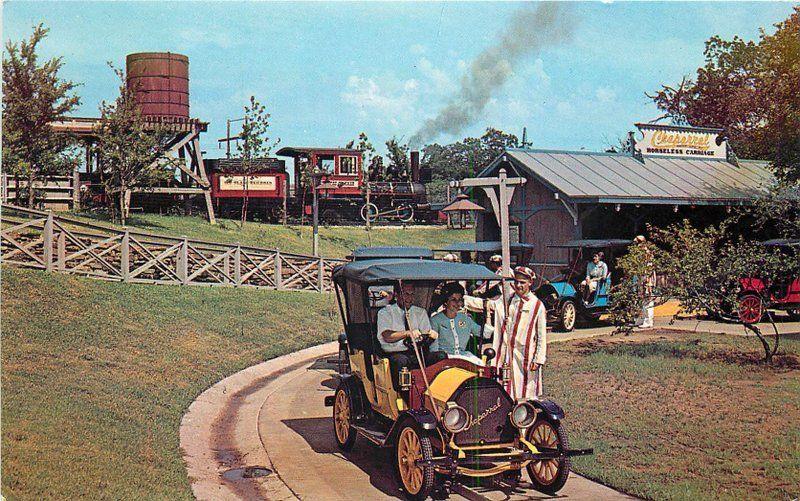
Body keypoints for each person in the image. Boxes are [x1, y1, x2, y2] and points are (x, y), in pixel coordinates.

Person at [377, 282, 447, 390]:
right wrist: (408, 333)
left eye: (411, 294)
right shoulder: (386, 312)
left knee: (441, 356)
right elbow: (387, 336)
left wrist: (431, 335)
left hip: (417, 353)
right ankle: (405, 397)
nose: (409, 298)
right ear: (396, 295)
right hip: (396, 353)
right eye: (405, 294)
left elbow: (425, 334)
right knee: (402, 361)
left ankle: (439, 391)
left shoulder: (420, 312)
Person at [492, 266, 547, 400]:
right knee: (505, 385)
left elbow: (541, 336)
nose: (518, 285)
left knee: (526, 388)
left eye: (522, 282)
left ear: (530, 283)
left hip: (525, 354)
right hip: (507, 353)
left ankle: (525, 414)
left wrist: (538, 358)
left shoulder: (537, 305)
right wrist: (466, 300)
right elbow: (491, 305)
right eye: (516, 281)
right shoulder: (507, 299)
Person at [430, 283, 494, 363]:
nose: (457, 303)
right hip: (445, 360)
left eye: (459, 300)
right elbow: (433, 350)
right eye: (453, 300)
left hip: (464, 357)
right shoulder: (435, 320)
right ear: (445, 301)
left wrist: (487, 312)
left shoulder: (465, 318)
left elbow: (486, 334)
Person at [633, 235, 656, 329]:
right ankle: (641, 319)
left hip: (646, 278)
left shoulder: (647, 253)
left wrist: (647, 278)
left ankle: (648, 320)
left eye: (637, 243)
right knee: (641, 299)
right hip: (640, 278)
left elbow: (649, 267)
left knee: (647, 299)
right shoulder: (639, 253)